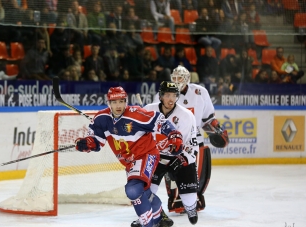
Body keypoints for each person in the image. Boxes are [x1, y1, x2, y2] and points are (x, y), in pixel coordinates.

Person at [75, 86, 184, 227]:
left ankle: (147, 224)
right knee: (144, 192)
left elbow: (160, 121)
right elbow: (96, 142)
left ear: (126, 101)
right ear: (109, 103)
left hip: (146, 154)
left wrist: (174, 135)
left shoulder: (136, 114)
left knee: (133, 190)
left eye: (121, 101)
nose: (118, 105)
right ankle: (158, 218)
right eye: (114, 102)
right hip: (129, 161)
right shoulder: (101, 118)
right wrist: (87, 144)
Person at [154, 65, 229, 213]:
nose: (176, 81)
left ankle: (193, 200)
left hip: (194, 139)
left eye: (179, 78)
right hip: (171, 142)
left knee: (194, 173)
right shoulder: (163, 93)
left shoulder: (200, 92)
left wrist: (216, 130)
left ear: (187, 79)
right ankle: (176, 201)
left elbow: (208, 118)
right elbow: (156, 118)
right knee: (172, 174)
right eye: (174, 78)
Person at [134, 81, 199, 226]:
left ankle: (191, 208)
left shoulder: (186, 115)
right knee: (146, 189)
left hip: (180, 156)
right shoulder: (149, 110)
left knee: (189, 197)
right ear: (161, 96)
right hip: (156, 156)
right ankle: (146, 216)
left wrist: (183, 158)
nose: (171, 99)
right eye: (168, 95)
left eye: (174, 95)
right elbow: (137, 135)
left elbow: (192, 143)